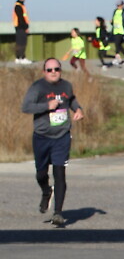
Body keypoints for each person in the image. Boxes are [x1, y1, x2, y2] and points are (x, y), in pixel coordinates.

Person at [21, 58, 84, 227]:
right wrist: (46, 106)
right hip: (42, 136)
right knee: (41, 174)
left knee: (59, 172)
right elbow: (26, 107)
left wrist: (78, 109)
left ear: (60, 70)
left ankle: (58, 213)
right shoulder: (38, 87)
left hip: (62, 135)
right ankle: (46, 191)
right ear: (44, 72)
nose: (54, 72)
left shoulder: (66, 86)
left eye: (57, 69)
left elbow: (71, 100)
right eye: (49, 70)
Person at [13, 0, 32, 64]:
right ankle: (22, 57)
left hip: (19, 27)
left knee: (20, 42)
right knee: (22, 42)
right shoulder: (18, 6)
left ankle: (18, 58)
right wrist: (25, 27)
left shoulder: (21, 6)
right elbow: (21, 18)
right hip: (20, 27)